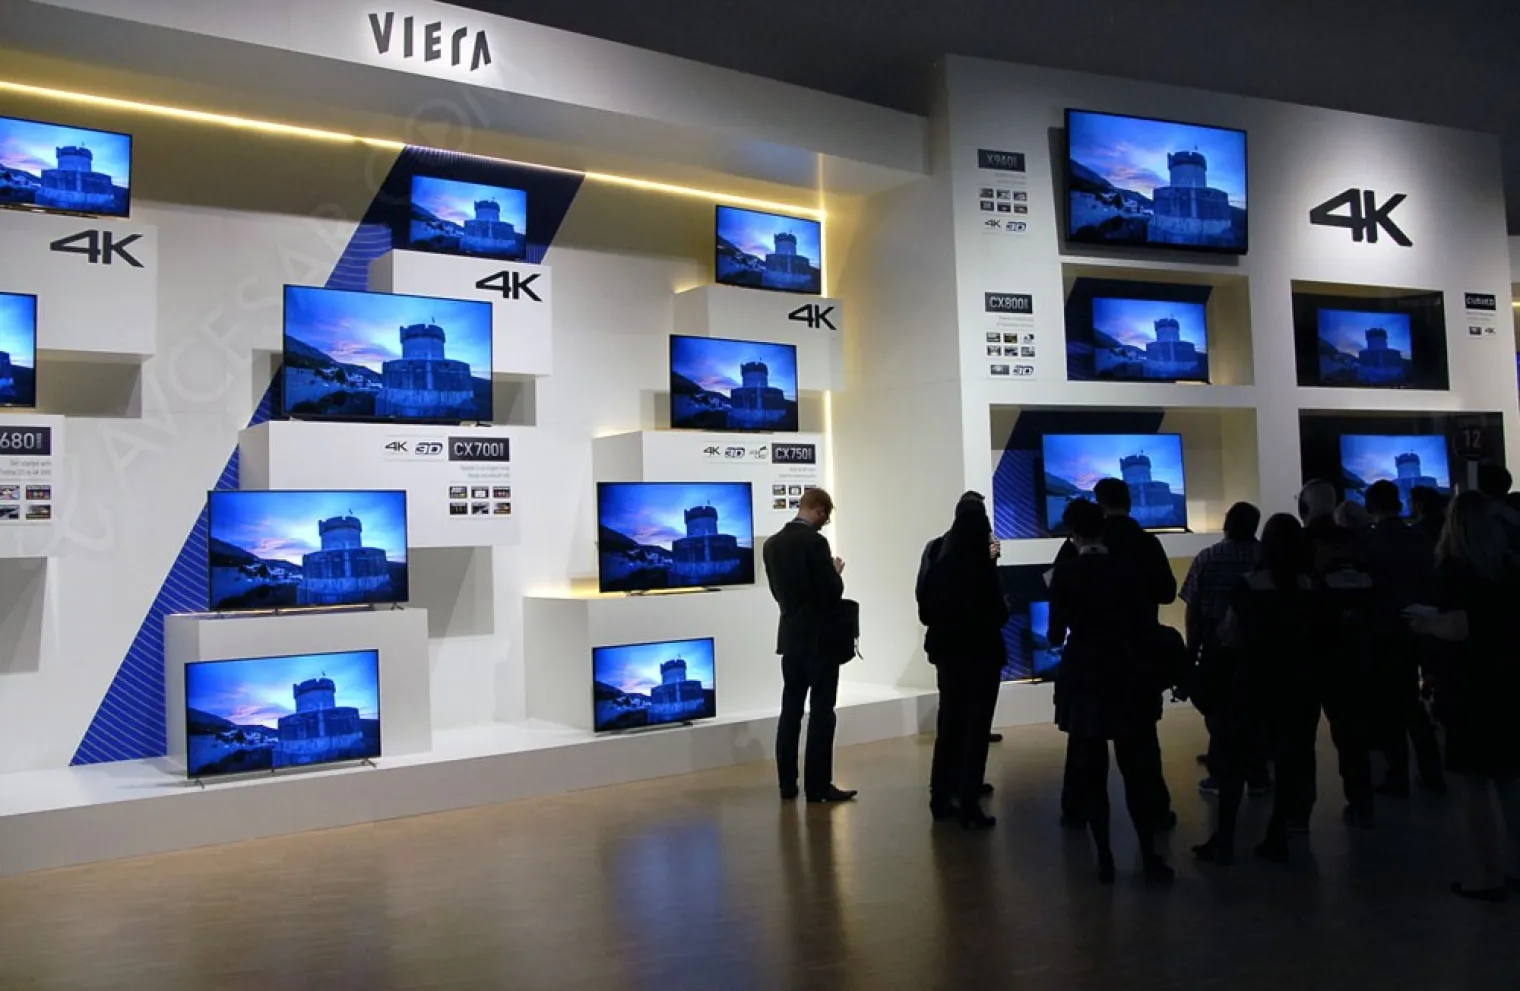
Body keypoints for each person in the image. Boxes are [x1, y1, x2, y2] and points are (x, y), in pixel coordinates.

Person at [1049, 499, 1173, 883]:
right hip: (1129, 675)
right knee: (1137, 772)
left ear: (1073, 533)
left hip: (1085, 678)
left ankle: (1104, 857)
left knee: (1092, 775)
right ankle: (1149, 854)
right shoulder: (1129, 569)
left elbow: (1054, 633)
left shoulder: (1066, 573)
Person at [1405, 491, 1520, 901]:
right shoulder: (1509, 565)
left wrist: (1425, 625)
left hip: (1470, 684)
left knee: (1473, 785)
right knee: (1509, 780)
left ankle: (1486, 876)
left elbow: (1458, 628)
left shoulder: (1456, 569)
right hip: (1509, 682)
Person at [1193, 514, 1318, 865]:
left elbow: (1229, 633)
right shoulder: (1308, 586)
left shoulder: (1249, 586)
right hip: (1297, 685)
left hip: (1253, 682)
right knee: (1288, 763)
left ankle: (1225, 840)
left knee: (1233, 765)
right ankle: (1276, 836)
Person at [918, 496, 1009, 829]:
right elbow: (997, 612)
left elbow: (924, 604)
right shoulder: (981, 559)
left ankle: (940, 796)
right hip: (982, 652)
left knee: (950, 725)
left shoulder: (937, 551)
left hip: (948, 652)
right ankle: (969, 800)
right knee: (977, 728)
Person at [764, 488, 855, 803]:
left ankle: (787, 784)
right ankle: (817, 786)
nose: (824, 522)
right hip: (821, 641)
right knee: (821, 713)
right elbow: (830, 593)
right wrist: (836, 573)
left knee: (790, 712)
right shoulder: (815, 543)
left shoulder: (772, 545)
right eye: (825, 516)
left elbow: (780, 594)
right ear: (818, 509)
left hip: (791, 640)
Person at [1299, 479, 1377, 829]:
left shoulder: (1299, 543)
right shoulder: (1356, 541)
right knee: (1351, 734)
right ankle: (1361, 803)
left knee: (1299, 738)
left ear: (1304, 507)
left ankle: (1299, 812)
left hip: (1306, 652)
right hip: (1349, 651)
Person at [1359, 479, 1444, 796]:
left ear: (1371, 507)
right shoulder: (1419, 538)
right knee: (1412, 704)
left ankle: (1397, 776)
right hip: (1416, 628)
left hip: (1382, 631)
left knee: (1389, 709)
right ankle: (1432, 773)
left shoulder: (1368, 542)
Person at [1180, 502, 1266, 794]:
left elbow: (1193, 608)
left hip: (1216, 646)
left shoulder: (1208, 557)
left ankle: (1221, 772)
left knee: (1218, 711)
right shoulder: (1265, 557)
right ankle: (1257, 775)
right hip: (1258, 647)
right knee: (1255, 710)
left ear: (1227, 523)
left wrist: (1191, 649)